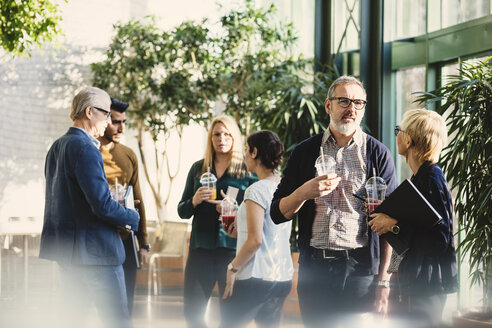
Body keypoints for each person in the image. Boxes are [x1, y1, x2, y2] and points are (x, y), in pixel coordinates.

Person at [270, 75, 397, 327]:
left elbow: (391, 224)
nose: (352, 108)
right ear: (328, 105)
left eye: (358, 103)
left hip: (360, 271)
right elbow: (277, 213)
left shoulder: (377, 154)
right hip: (315, 269)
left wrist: (383, 281)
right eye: (344, 101)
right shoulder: (305, 152)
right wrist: (303, 192)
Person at [40, 87, 139, 328]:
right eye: (106, 114)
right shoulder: (86, 148)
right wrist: (132, 216)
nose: (107, 121)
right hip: (98, 255)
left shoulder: (57, 146)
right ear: (89, 111)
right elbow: (101, 206)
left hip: (69, 255)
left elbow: (67, 201)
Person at [368, 109, 458, 327]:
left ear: (408, 140)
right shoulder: (421, 179)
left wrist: (393, 225)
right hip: (415, 286)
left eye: (399, 130)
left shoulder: (431, 179)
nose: (396, 135)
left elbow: (439, 241)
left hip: (425, 290)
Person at [177, 115, 256, 327]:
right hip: (200, 251)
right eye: (217, 134)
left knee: (231, 318)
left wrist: (235, 209)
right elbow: (182, 211)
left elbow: (257, 214)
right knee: (192, 315)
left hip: (231, 254)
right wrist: (193, 201)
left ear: (235, 138)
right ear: (210, 138)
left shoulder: (247, 174)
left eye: (227, 134)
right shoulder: (198, 169)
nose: (222, 139)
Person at [221, 130, 293, 328]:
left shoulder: (256, 190)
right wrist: (237, 231)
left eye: (246, 149)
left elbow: (255, 241)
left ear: (254, 152)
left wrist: (232, 268)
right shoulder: (285, 188)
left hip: (255, 277)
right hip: (281, 277)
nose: (244, 154)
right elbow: (270, 232)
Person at [98, 97, 150, 314]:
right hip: (99, 238)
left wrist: (144, 243)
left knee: (125, 305)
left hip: (126, 239)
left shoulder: (128, 154)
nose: (121, 127)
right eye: (116, 121)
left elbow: (138, 199)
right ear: (104, 120)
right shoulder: (89, 152)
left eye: (124, 122)